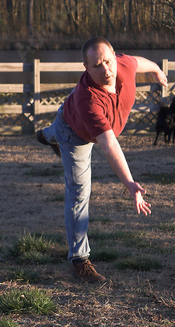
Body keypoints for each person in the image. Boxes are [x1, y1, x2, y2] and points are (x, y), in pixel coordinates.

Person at [36, 37, 168, 283]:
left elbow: (138, 61)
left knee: (55, 128)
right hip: (74, 132)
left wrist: (158, 70)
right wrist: (129, 183)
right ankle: (79, 259)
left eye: (108, 61)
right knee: (79, 192)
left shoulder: (123, 65)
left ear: (115, 56)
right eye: (97, 65)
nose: (106, 70)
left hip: (70, 117)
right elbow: (108, 144)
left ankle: (46, 135)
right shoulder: (88, 98)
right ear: (86, 67)